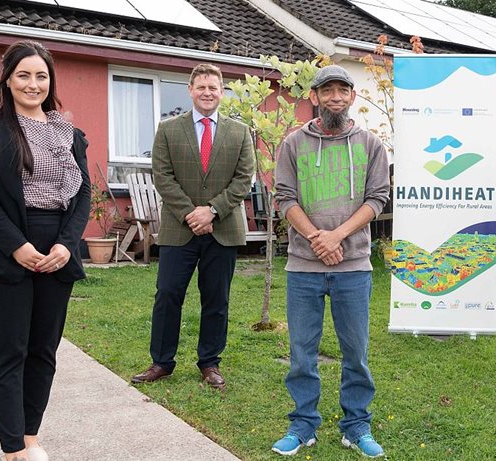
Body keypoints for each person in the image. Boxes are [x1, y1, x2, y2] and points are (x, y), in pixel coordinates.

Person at [0, 40, 90, 461]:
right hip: (4, 248)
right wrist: (17, 245)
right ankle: (12, 448)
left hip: (57, 248)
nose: (33, 84)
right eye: (24, 75)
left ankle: (30, 437)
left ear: (50, 81)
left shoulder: (69, 134)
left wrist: (67, 246)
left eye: (42, 76)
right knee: (7, 351)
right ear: (7, 80)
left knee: (42, 350)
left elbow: (83, 192)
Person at [271, 65, 390, 458]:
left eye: (342, 90)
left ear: (352, 97)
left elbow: (377, 199)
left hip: (353, 265)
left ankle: (356, 427)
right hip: (303, 266)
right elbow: (285, 197)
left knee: (355, 352)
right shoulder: (293, 144)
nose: (335, 97)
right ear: (315, 98)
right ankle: (302, 425)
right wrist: (316, 239)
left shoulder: (371, 144)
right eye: (327, 91)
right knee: (302, 353)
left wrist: (337, 236)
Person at [131, 63, 254, 389]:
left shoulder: (239, 132)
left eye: (213, 87)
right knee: (168, 293)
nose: (207, 92)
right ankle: (161, 362)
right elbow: (162, 176)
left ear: (221, 91)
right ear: (190, 90)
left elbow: (244, 180)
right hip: (178, 227)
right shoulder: (168, 129)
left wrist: (212, 211)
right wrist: (191, 213)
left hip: (223, 228)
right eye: (201, 87)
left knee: (216, 298)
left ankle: (210, 363)